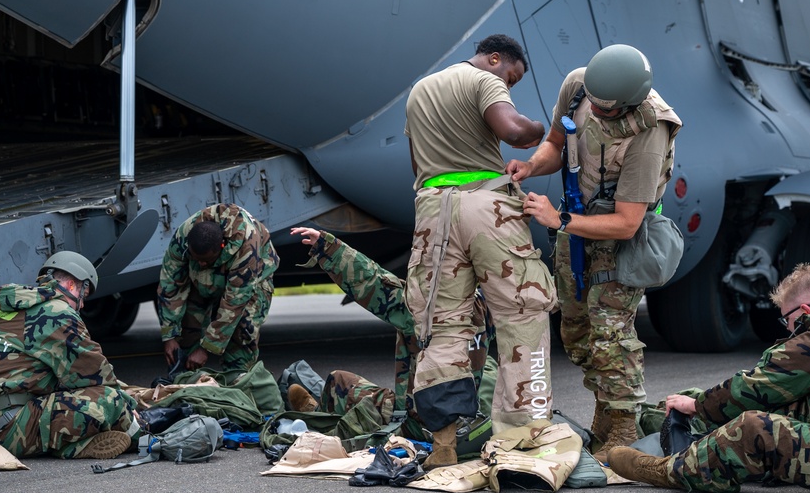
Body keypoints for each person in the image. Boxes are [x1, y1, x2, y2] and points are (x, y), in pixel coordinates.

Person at [511, 43, 681, 462]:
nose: (599, 112)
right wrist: (531, 166)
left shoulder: (650, 129)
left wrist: (558, 221)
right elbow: (555, 142)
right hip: (577, 222)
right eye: (595, 105)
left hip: (620, 237)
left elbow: (628, 222)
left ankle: (621, 426)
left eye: (609, 110)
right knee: (576, 332)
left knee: (611, 334)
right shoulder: (578, 85)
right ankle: (608, 413)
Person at [608, 263, 810, 493]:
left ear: (806, 310)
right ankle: (669, 425)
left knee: (753, 428)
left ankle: (671, 471)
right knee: (781, 405)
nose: (788, 329)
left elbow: (755, 387)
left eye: (788, 321)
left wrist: (698, 404)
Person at [404, 33, 556, 468]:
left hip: (433, 211)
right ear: (494, 59)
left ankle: (444, 445)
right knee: (521, 313)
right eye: (512, 75)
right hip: (486, 205)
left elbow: (418, 165)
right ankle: (524, 439)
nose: (510, 84)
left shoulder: (420, 90)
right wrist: (538, 130)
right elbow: (512, 131)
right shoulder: (484, 80)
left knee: (443, 323)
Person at [287, 226, 496, 446]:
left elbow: (371, 281)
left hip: (421, 422)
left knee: (338, 381)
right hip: (468, 419)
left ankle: (317, 414)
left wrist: (326, 246)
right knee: (489, 366)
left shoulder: (420, 311)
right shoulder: (483, 306)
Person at [0, 251, 140, 459]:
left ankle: (72, 444)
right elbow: (96, 373)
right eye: (83, 296)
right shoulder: (57, 312)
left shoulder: (13, 309)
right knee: (110, 399)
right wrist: (129, 409)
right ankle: (142, 438)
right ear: (71, 285)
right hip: (10, 428)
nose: (83, 305)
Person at [157, 203, 279, 373]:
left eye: (205, 260)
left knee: (242, 330)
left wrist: (206, 348)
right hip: (207, 276)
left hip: (251, 278)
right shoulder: (183, 236)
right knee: (187, 322)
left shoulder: (246, 244)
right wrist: (169, 335)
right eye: (196, 258)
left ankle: (237, 380)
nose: (200, 263)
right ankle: (188, 381)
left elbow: (235, 302)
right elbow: (170, 283)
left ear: (221, 248)